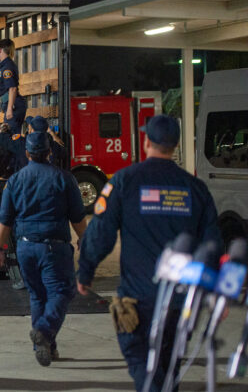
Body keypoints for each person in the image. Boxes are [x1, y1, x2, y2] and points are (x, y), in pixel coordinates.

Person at [76, 115, 220, 392]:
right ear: (175, 145)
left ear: (146, 142)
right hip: (181, 300)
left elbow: (101, 231)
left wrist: (86, 271)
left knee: (143, 365)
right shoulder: (196, 189)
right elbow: (212, 245)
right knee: (168, 366)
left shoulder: (124, 181)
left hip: (138, 299)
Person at [0, 132, 87, 367]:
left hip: (25, 247)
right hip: (54, 247)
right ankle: (44, 330)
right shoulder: (64, 178)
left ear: (27, 153)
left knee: (37, 296)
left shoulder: (15, 180)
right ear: (49, 152)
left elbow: (5, 220)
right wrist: (84, 240)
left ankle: (45, 347)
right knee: (62, 292)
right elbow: (77, 216)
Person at [0, 39, 26, 133]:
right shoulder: (5, 66)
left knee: (10, 136)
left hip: (14, 106)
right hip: (12, 104)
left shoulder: (7, 67)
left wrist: (9, 108)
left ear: (0, 50)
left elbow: (12, 88)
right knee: (11, 135)